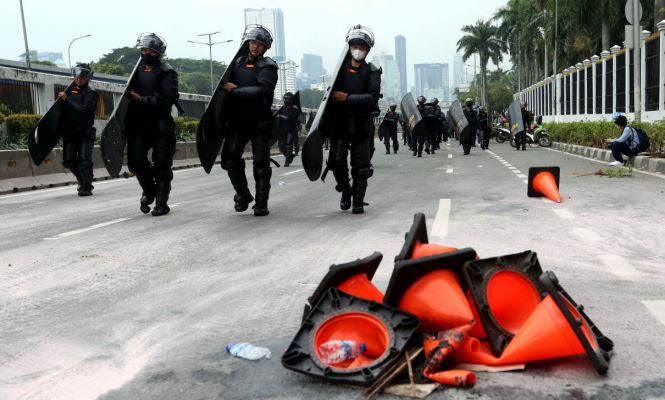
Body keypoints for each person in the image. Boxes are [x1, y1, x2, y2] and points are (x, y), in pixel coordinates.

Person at [220, 25, 278, 216]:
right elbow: (223, 95)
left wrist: (235, 90)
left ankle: (262, 203)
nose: (255, 47)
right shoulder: (237, 64)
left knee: (261, 166)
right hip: (238, 121)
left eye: (260, 44)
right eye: (253, 42)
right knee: (229, 160)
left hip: (260, 122)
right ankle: (243, 194)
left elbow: (263, 91)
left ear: (266, 47)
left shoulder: (268, 66)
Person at [327, 25, 381, 214]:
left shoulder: (372, 71)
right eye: (355, 45)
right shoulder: (339, 70)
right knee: (336, 162)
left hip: (361, 124)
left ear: (367, 50)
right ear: (349, 47)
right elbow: (329, 95)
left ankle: (358, 201)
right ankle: (346, 191)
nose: (358, 49)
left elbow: (371, 98)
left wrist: (347, 98)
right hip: (340, 123)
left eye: (362, 46)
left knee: (361, 167)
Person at [125, 33, 179, 216]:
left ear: (156, 52)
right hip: (139, 124)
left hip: (161, 125)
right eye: (141, 50)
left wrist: (141, 99)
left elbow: (167, 100)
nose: (143, 53)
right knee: (136, 162)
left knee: (162, 166)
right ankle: (149, 190)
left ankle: (161, 204)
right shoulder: (136, 71)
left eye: (147, 50)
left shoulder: (167, 72)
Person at [58, 63, 99, 196]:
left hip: (85, 131)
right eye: (77, 77)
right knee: (68, 161)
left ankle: (87, 186)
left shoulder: (91, 93)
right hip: (70, 131)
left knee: (84, 161)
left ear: (88, 78)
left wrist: (67, 100)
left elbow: (84, 110)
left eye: (82, 77)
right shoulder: (69, 91)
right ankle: (81, 179)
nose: (79, 80)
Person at [275, 92, 300, 166]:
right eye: (285, 99)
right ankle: (290, 156)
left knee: (289, 146)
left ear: (291, 100)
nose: (285, 100)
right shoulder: (283, 108)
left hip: (291, 129)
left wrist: (280, 116)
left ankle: (287, 162)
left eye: (287, 99)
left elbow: (290, 118)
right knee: (281, 146)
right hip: (283, 130)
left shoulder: (295, 108)